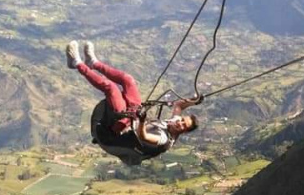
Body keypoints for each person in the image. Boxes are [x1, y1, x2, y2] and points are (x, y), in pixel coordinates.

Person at [66, 40, 202, 164]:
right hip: (134, 117)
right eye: (183, 120)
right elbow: (178, 106)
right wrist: (194, 101)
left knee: (111, 88)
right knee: (128, 80)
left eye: (183, 125)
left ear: (183, 132)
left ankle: (77, 64)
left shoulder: (164, 139)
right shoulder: (174, 122)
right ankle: (94, 64)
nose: (180, 122)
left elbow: (145, 136)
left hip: (119, 130)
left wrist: (142, 120)